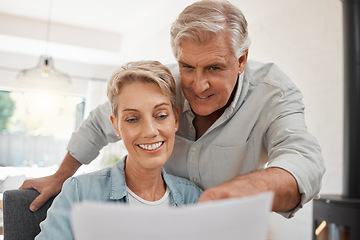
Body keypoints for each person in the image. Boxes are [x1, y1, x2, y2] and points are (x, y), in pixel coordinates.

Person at [21, 0, 325, 218]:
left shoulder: (273, 92)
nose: (197, 85)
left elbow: (303, 161)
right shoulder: (166, 85)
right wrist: (60, 176)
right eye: (187, 66)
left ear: (241, 60)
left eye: (215, 68)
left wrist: (241, 191)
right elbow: (100, 124)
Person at [34, 61, 203, 239]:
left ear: (175, 119)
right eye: (132, 119)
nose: (150, 131)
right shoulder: (80, 193)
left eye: (161, 116)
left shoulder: (193, 198)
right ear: (116, 126)